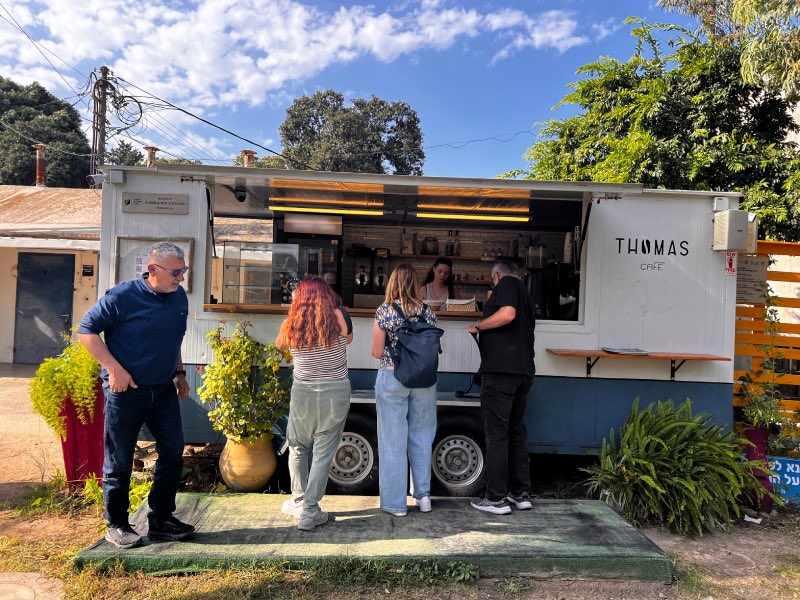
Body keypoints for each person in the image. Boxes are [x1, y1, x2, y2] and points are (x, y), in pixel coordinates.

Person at [77, 241, 195, 549]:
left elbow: (172, 340)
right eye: (175, 272)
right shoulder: (122, 296)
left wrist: (180, 374)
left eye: (183, 270)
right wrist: (113, 369)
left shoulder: (178, 296)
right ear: (153, 269)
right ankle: (117, 524)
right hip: (126, 392)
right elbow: (86, 331)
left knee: (173, 453)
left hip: (163, 390)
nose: (181, 277)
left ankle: (161, 519)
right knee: (119, 460)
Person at [276, 277, 352, 531]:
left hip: (303, 392)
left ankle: (299, 501)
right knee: (323, 451)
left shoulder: (291, 322)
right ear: (327, 296)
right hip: (335, 391)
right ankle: (310, 510)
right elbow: (348, 339)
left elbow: (280, 345)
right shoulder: (338, 316)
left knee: (298, 446)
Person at [467, 259, 536, 515]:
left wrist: (479, 325)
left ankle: (495, 498)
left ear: (496, 276)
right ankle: (520, 494)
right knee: (516, 433)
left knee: (497, 435)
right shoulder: (526, 294)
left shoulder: (507, 283)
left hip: (501, 373)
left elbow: (507, 314)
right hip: (523, 372)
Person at [372, 263, 438, 516]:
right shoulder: (428, 311)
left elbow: (377, 352)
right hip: (424, 380)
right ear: (415, 284)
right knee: (422, 437)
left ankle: (396, 504)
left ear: (393, 283)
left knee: (393, 441)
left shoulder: (385, 311)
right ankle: (424, 497)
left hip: (393, 377)